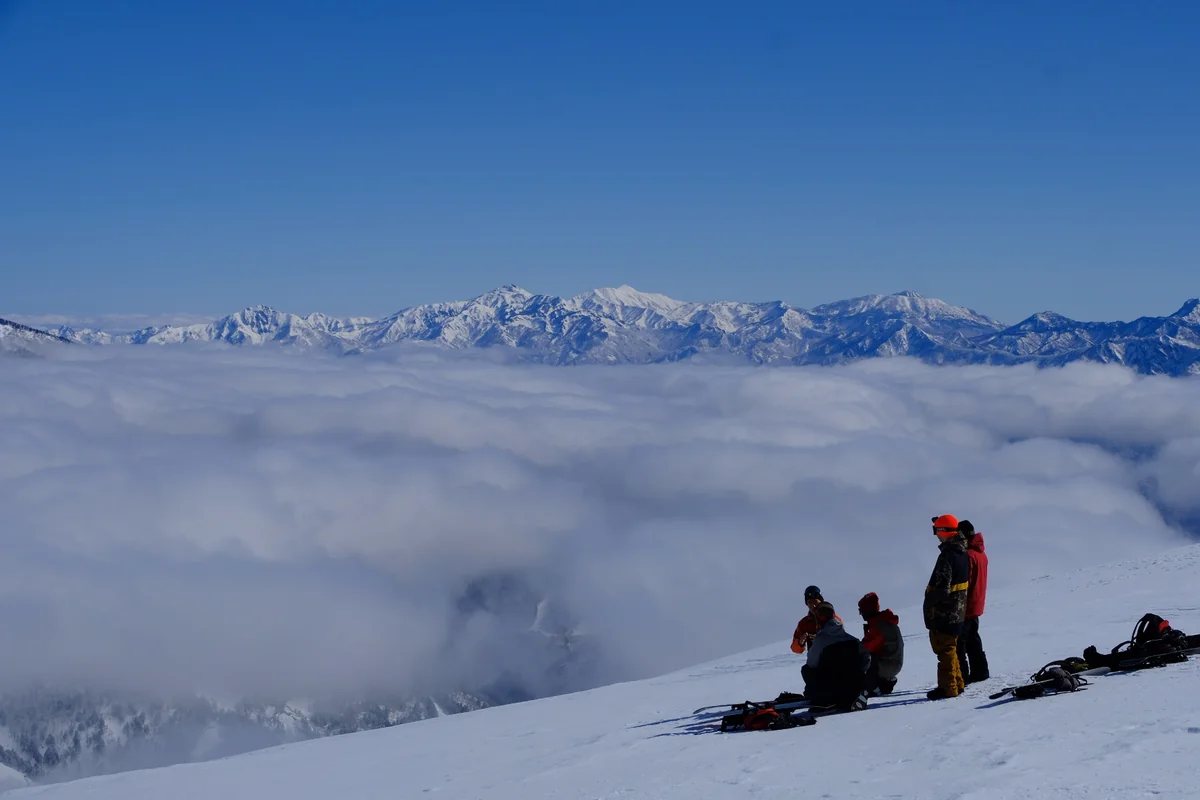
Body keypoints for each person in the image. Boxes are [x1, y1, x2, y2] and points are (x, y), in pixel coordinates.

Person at [924, 514, 970, 700]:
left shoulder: (947, 556)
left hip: (945, 612)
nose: (936, 534)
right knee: (951, 648)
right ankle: (957, 683)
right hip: (958, 610)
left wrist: (931, 603)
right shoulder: (962, 551)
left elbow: (943, 588)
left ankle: (948, 688)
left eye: (936, 530)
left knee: (945, 651)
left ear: (942, 531)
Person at [801, 601, 871, 711]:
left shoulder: (820, 641)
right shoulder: (852, 640)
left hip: (829, 689)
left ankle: (819, 697)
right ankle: (854, 692)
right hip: (852, 685)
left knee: (806, 670)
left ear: (819, 619)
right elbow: (867, 658)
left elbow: (811, 664)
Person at [957, 519, 990, 683]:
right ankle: (980, 672)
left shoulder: (968, 555)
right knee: (973, 639)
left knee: (960, 643)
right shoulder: (980, 553)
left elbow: (965, 581)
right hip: (976, 603)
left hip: (966, 605)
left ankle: (962, 676)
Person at [859, 592, 903, 696]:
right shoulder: (882, 621)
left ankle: (873, 688)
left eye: (862, 611)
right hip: (891, 662)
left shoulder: (880, 626)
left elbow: (866, 648)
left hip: (888, 664)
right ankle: (884, 683)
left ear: (868, 610)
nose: (861, 614)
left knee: (862, 660)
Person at [791, 585, 841, 655]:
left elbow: (841, 639)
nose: (813, 605)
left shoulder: (833, 618)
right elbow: (795, 649)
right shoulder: (804, 623)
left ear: (821, 602)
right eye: (810, 602)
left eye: (815, 602)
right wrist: (800, 643)